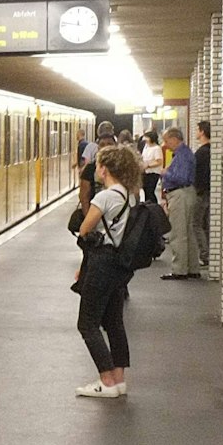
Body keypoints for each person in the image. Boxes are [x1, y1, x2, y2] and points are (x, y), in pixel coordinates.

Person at [74, 144, 143, 398]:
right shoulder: (129, 194)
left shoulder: (104, 197)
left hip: (102, 263)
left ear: (104, 169)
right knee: (114, 322)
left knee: (88, 324)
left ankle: (106, 381)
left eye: (99, 165)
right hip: (119, 266)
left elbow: (84, 228)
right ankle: (119, 379)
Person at [159, 127, 199, 279]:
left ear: (175, 138)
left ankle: (179, 269)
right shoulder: (185, 153)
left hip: (180, 194)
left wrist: (165, 173)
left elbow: (180, 177)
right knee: (188, 232)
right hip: (187, 193)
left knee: (178, 233)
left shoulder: (181, 155)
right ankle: (192, 267)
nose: (165, 144)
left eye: (167, 140)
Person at [194, 120, 212, 271]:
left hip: (200, 192)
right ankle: (208, 253)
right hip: (209, 191)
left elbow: (198, 174)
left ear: (202, 132)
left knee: (197, 224)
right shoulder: (212, 150)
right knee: (205, 224)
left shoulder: (201, 153)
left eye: (197, 129)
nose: (196, 132)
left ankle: (204, 255)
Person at [140, 131, 164, 203]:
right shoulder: (146, 147)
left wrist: (148, 165)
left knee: (150, 190)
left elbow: (159, 161)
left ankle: (153, 205)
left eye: (146, 137)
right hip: (145, 172)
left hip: (153, 172)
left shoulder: (156, 148)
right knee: (145, 190)